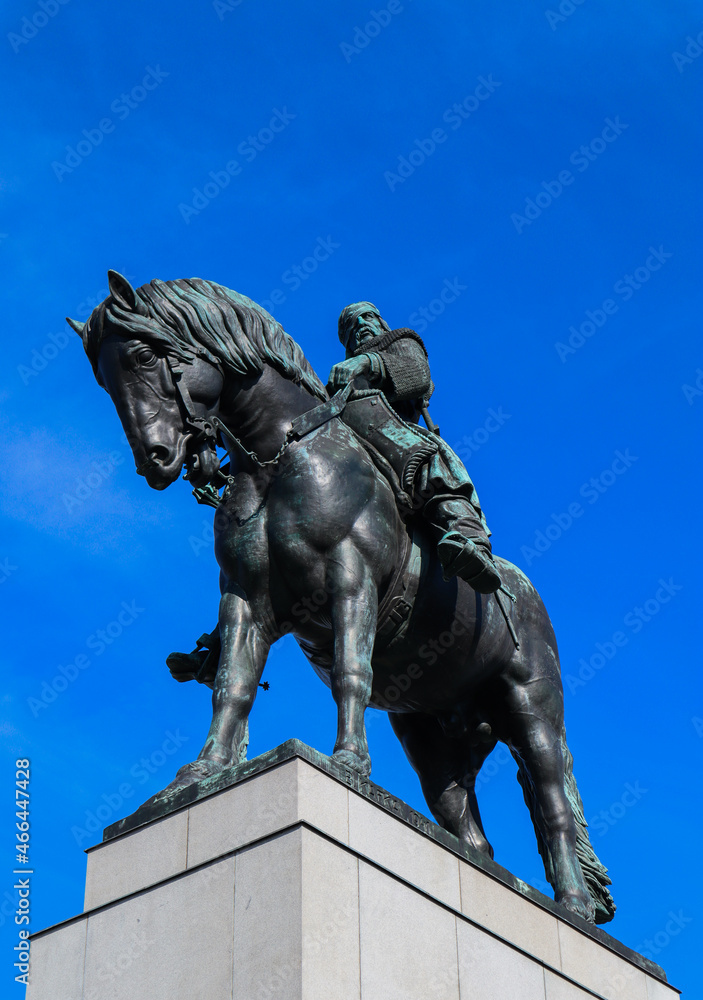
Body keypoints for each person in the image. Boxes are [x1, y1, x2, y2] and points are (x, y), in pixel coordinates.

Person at [328, 301, 500, 594]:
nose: (359, 328)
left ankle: (468, 537)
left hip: (396, 431)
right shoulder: (339, 375)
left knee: (424, 459)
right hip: (352, 441)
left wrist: (367, 362)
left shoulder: (400, 341)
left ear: (381, 322)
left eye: (365, 319)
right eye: (350, 329)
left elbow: (417, 375)